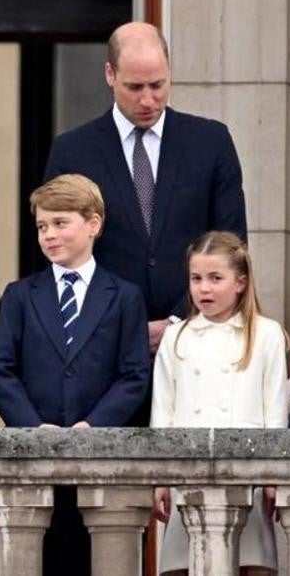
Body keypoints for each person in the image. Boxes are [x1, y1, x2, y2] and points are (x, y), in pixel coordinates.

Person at [45, 22, 246, 362]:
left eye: (158, 85)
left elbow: (231, 242)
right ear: (110, 74)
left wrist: (177, 319)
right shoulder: (72, 152)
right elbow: (59, 252)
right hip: (104, 347)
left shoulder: (210, 143)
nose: (148, 100)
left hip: (197, 340)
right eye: (134, 87)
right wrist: (124, 323)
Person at [0, 173, 150, 575]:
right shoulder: (21, 295)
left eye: (60, 223)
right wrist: (33, 427)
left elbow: (134, 375)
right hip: (33, 458)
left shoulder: (124, 296)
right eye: (42, 226)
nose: (49, 235)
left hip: (101, 458)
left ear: (93, 224)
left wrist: (93, 425)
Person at [151, 231, 286, 576]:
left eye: (215, 278)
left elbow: (274, 410)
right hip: (187, 471)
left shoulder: (266, 334)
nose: (204, 289)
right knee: (182, 566)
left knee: (250, 563)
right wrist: (160, 478)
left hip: (248, 472)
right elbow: (163, 411)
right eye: (196, 279)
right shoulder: (176, 337)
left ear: (240, 282)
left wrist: (273, 476)